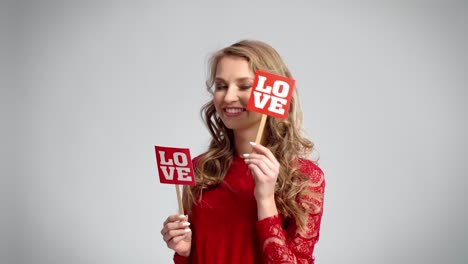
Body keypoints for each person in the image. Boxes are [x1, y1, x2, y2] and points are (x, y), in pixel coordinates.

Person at [160, 40, 325, 264]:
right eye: (221, 86)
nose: (228, 97)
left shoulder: (304, 177)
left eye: (244, 86)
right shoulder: (201, 169)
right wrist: (184, 252)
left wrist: (265, 199)